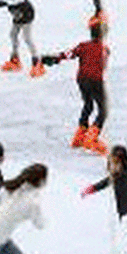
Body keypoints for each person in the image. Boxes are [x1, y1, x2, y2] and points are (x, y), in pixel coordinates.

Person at [46, 17, 110, 153]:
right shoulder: (105, 49)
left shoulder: (83, 46)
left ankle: (79, 137)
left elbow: (69, 54)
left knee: (88, 104)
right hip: (96, 80)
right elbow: (103, 66)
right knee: (103, 110)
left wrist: (55, 59)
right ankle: (91, 138)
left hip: (82, 79)